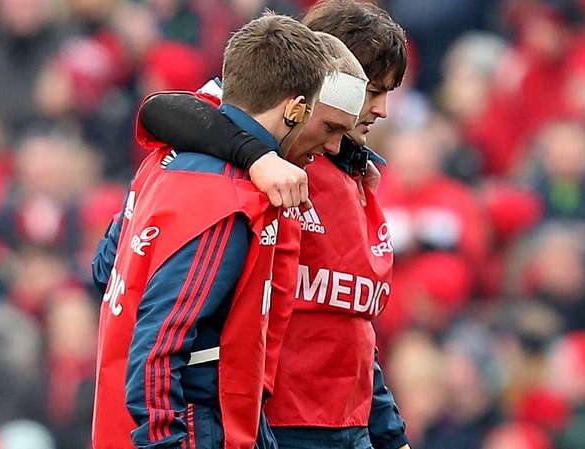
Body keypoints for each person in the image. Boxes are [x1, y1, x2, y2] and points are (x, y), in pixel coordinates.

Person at [134, 2, 411, 448]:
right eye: (372, 91)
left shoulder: (350, 169)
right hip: (270, 420)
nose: (378, 109)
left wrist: (389, 434)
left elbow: (352, 327)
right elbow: (163, 110)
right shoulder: (268, 151)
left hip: (346, 423)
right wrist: (255, 154)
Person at [90, 14, 334, 449]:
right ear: (296, 108)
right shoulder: (229, 198)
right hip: (194, 428)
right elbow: (159, 346)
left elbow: (106, 269)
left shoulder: (160, 164)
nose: (331, 145)